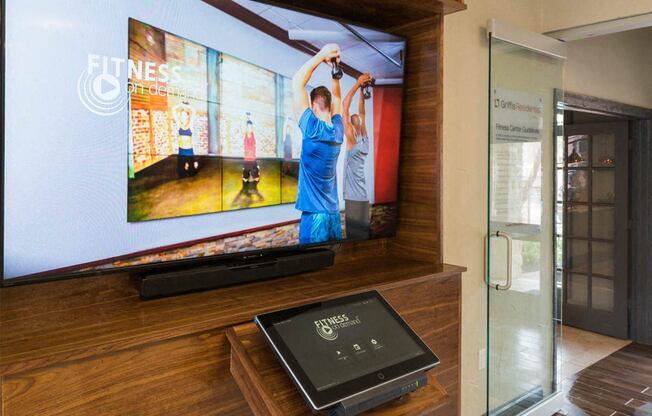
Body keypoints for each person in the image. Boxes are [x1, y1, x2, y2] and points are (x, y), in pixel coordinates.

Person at [292, 43, 344, 244]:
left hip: (314, 216)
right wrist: (335, 72)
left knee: (309, 270)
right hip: (333, 215)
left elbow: (298, 82)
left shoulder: (312, 129)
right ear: (330, 107)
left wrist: (321, 55)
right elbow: (338, 96)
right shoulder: (338, 130)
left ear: (313, 106)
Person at [342, 73, 373, 240]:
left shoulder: (352, 141)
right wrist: (362, 91)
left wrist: (357, 83)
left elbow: (345, 105)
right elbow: (362, 111)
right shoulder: (364, 139)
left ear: (351, 128)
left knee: (354, 241)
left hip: (353, 200)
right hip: (363, 197)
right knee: (363, 238)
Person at [172, 102, 199, 178]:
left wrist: (187, 106)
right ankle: (186, 165)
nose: (182, 117)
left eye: (184, 115)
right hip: (181, 151)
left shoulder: (190, 125)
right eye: (181, 115)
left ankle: (193, 164)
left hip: (189, 151)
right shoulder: (179, 125)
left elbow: (194, 111)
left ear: (187, 116)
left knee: (192, 174)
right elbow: (173, 109)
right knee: (181, 174)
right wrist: (181, 105)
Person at [242, 117, 260, 184]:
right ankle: (245, 171)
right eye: (249, 127)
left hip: (253, 160)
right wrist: (247, 119)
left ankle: (257, 170)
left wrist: (249, 119)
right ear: (246, 128)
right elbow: (245, 126)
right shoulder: (245, 136)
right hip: (246, 160)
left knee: (256, 179)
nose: (250, 129)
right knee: (245, 180)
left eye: (251, 127)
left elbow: (252, 126)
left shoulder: (253, 135)